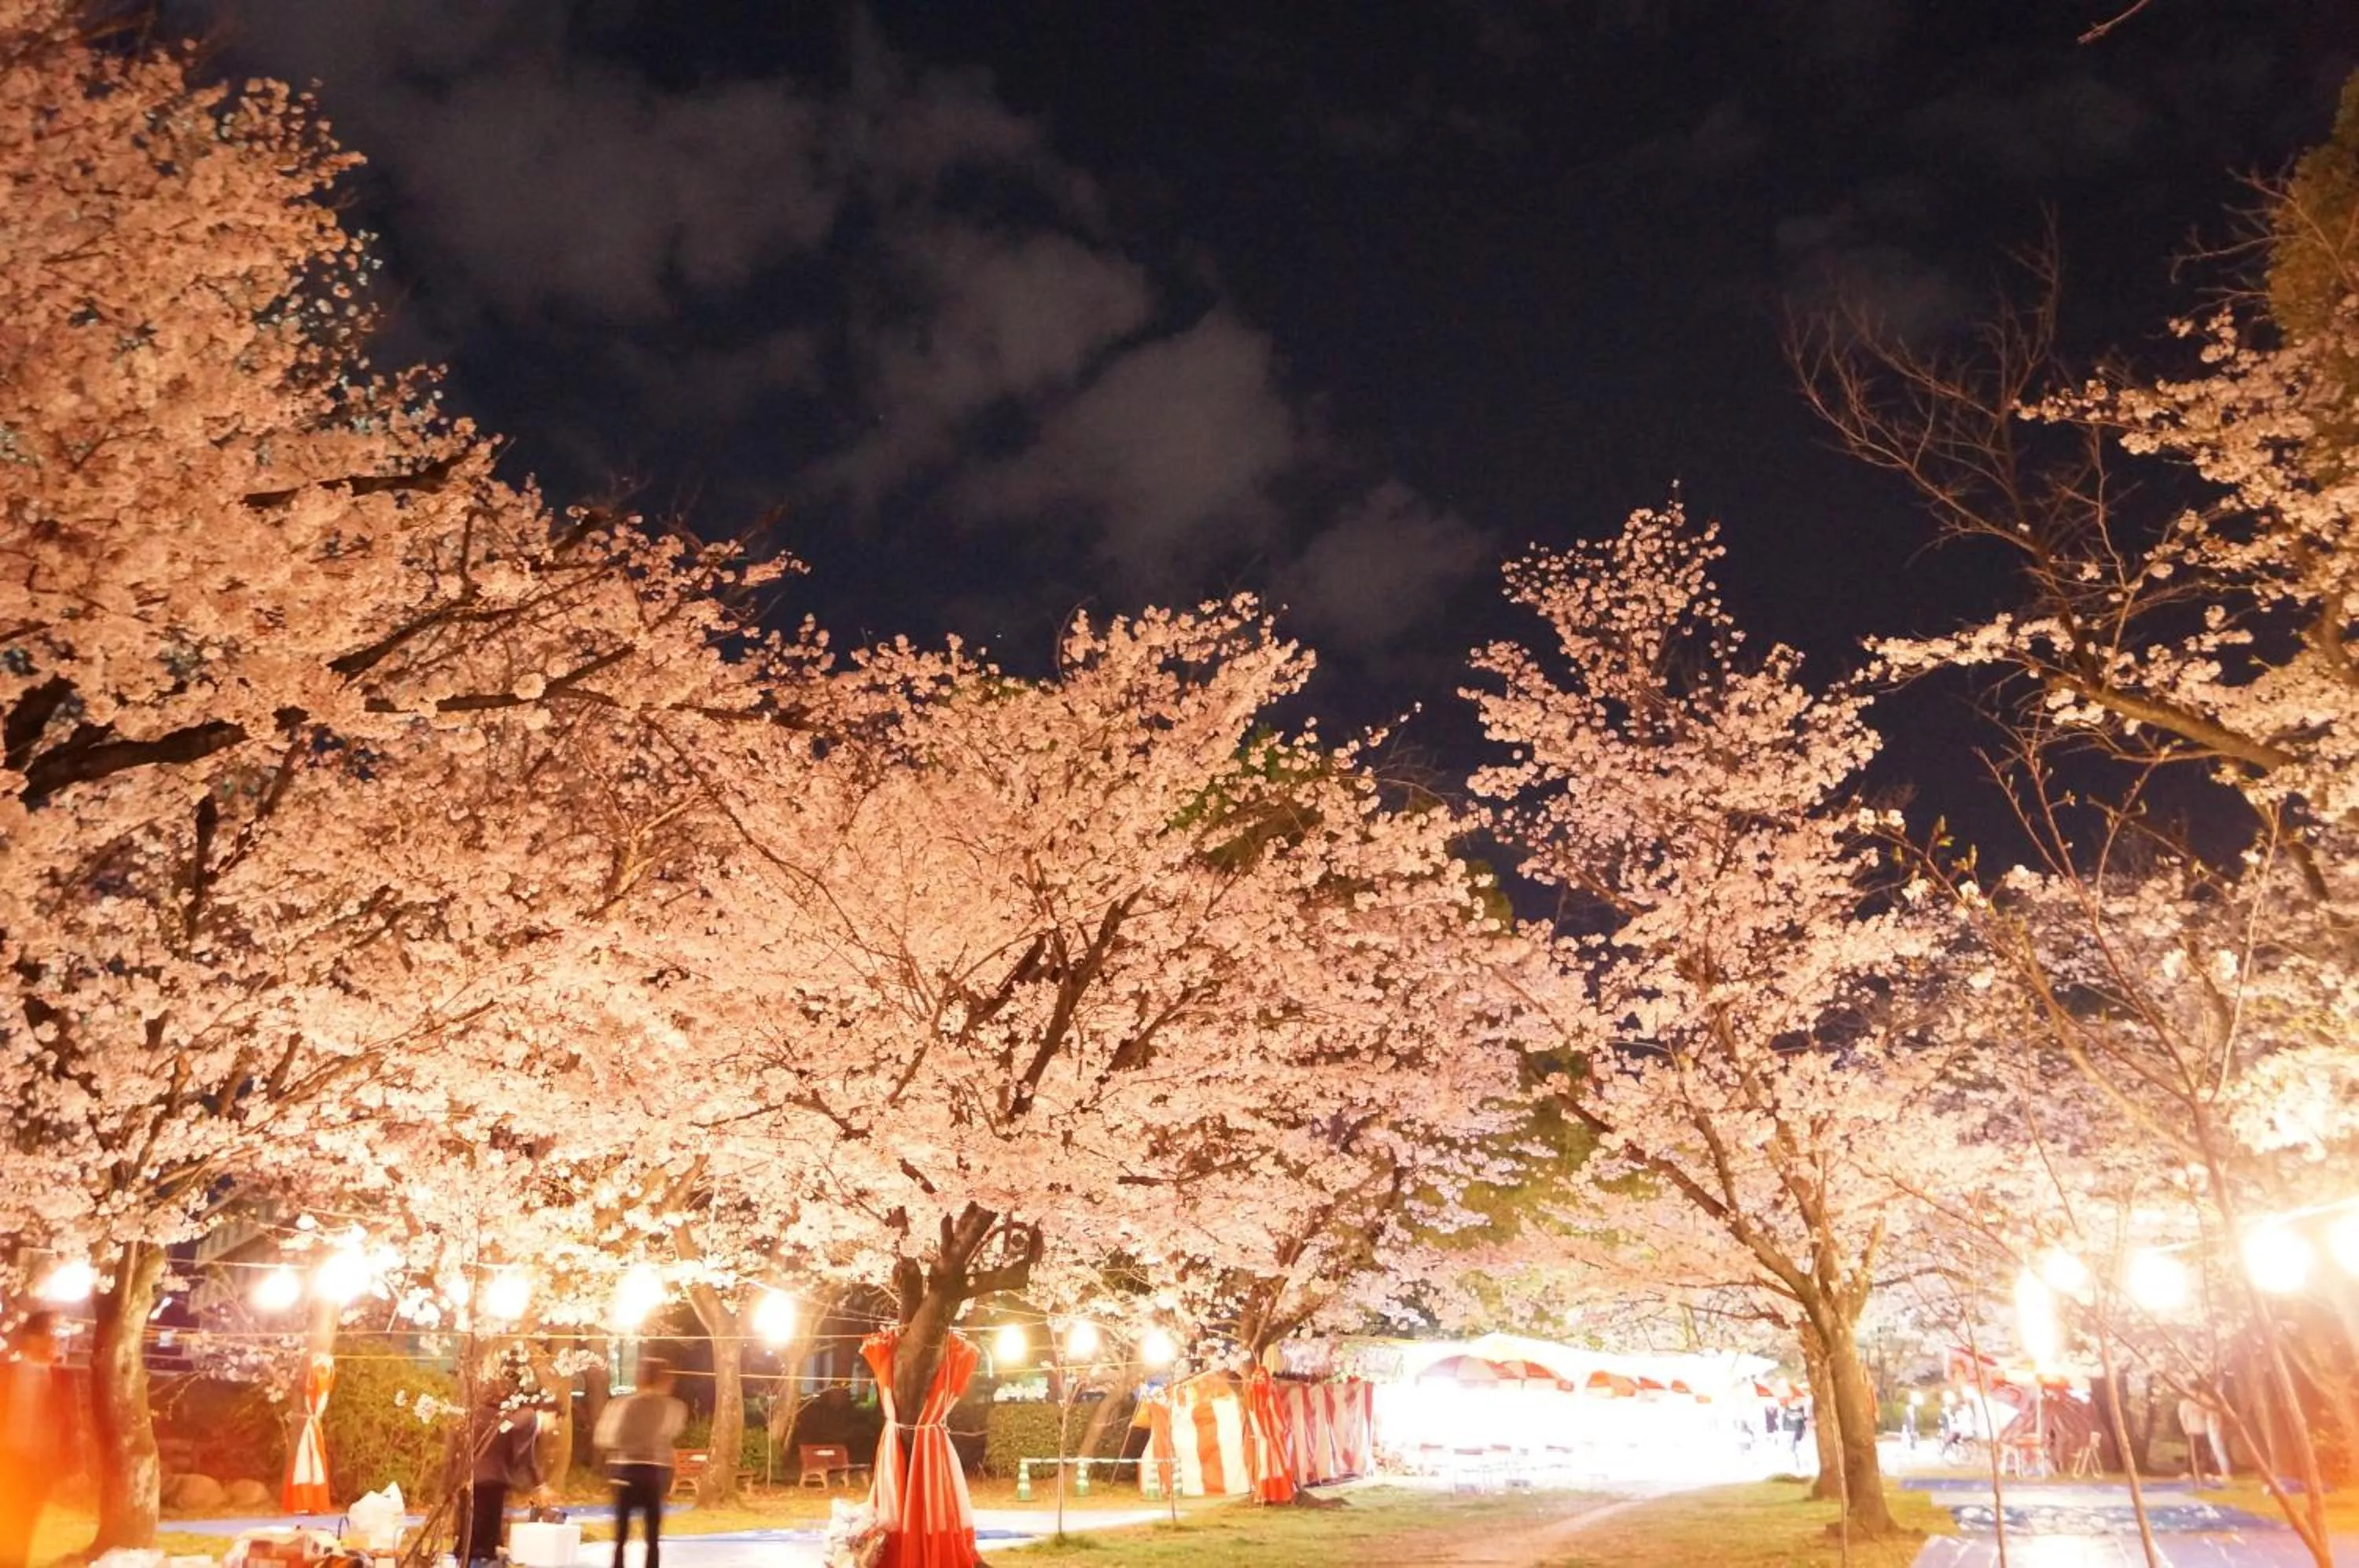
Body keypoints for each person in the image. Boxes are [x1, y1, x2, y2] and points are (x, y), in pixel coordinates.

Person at [595, 1359, 686, 1568]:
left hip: (624, 1470)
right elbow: (672, 1431)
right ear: (665, 1379)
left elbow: (604, 1437)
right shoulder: (673, 1407)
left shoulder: (621, 1405)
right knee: (652, 1537)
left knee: (621, 1535)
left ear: (640, 1377)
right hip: (654, 1473)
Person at [0, 1312, 67, 1568]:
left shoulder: (59, 1380)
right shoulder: (6, 1374)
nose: (56, 1341)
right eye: (51, 1333)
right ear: (31, 1338)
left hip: (34, 1472)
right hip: (8, 1464)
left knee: (21, 1537)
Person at [462, 1380, 552, 1566]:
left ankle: (471, 1554)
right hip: (494, 1475)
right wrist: (539, 1484)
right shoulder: (523, 1418)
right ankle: (484, 1555)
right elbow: (525, 1454)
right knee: (487, 1523)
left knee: (475, 1522)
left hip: (473, 1474)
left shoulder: (483, 1416)